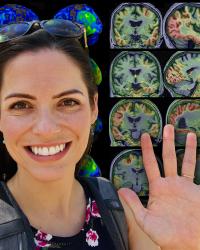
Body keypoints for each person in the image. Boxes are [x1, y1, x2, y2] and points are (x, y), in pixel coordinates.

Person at [0, 19, 199, 250]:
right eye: (21, 105)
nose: (46, 128)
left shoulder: (120, 211)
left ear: (94, 107)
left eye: (67, 102)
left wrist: (188, 245)